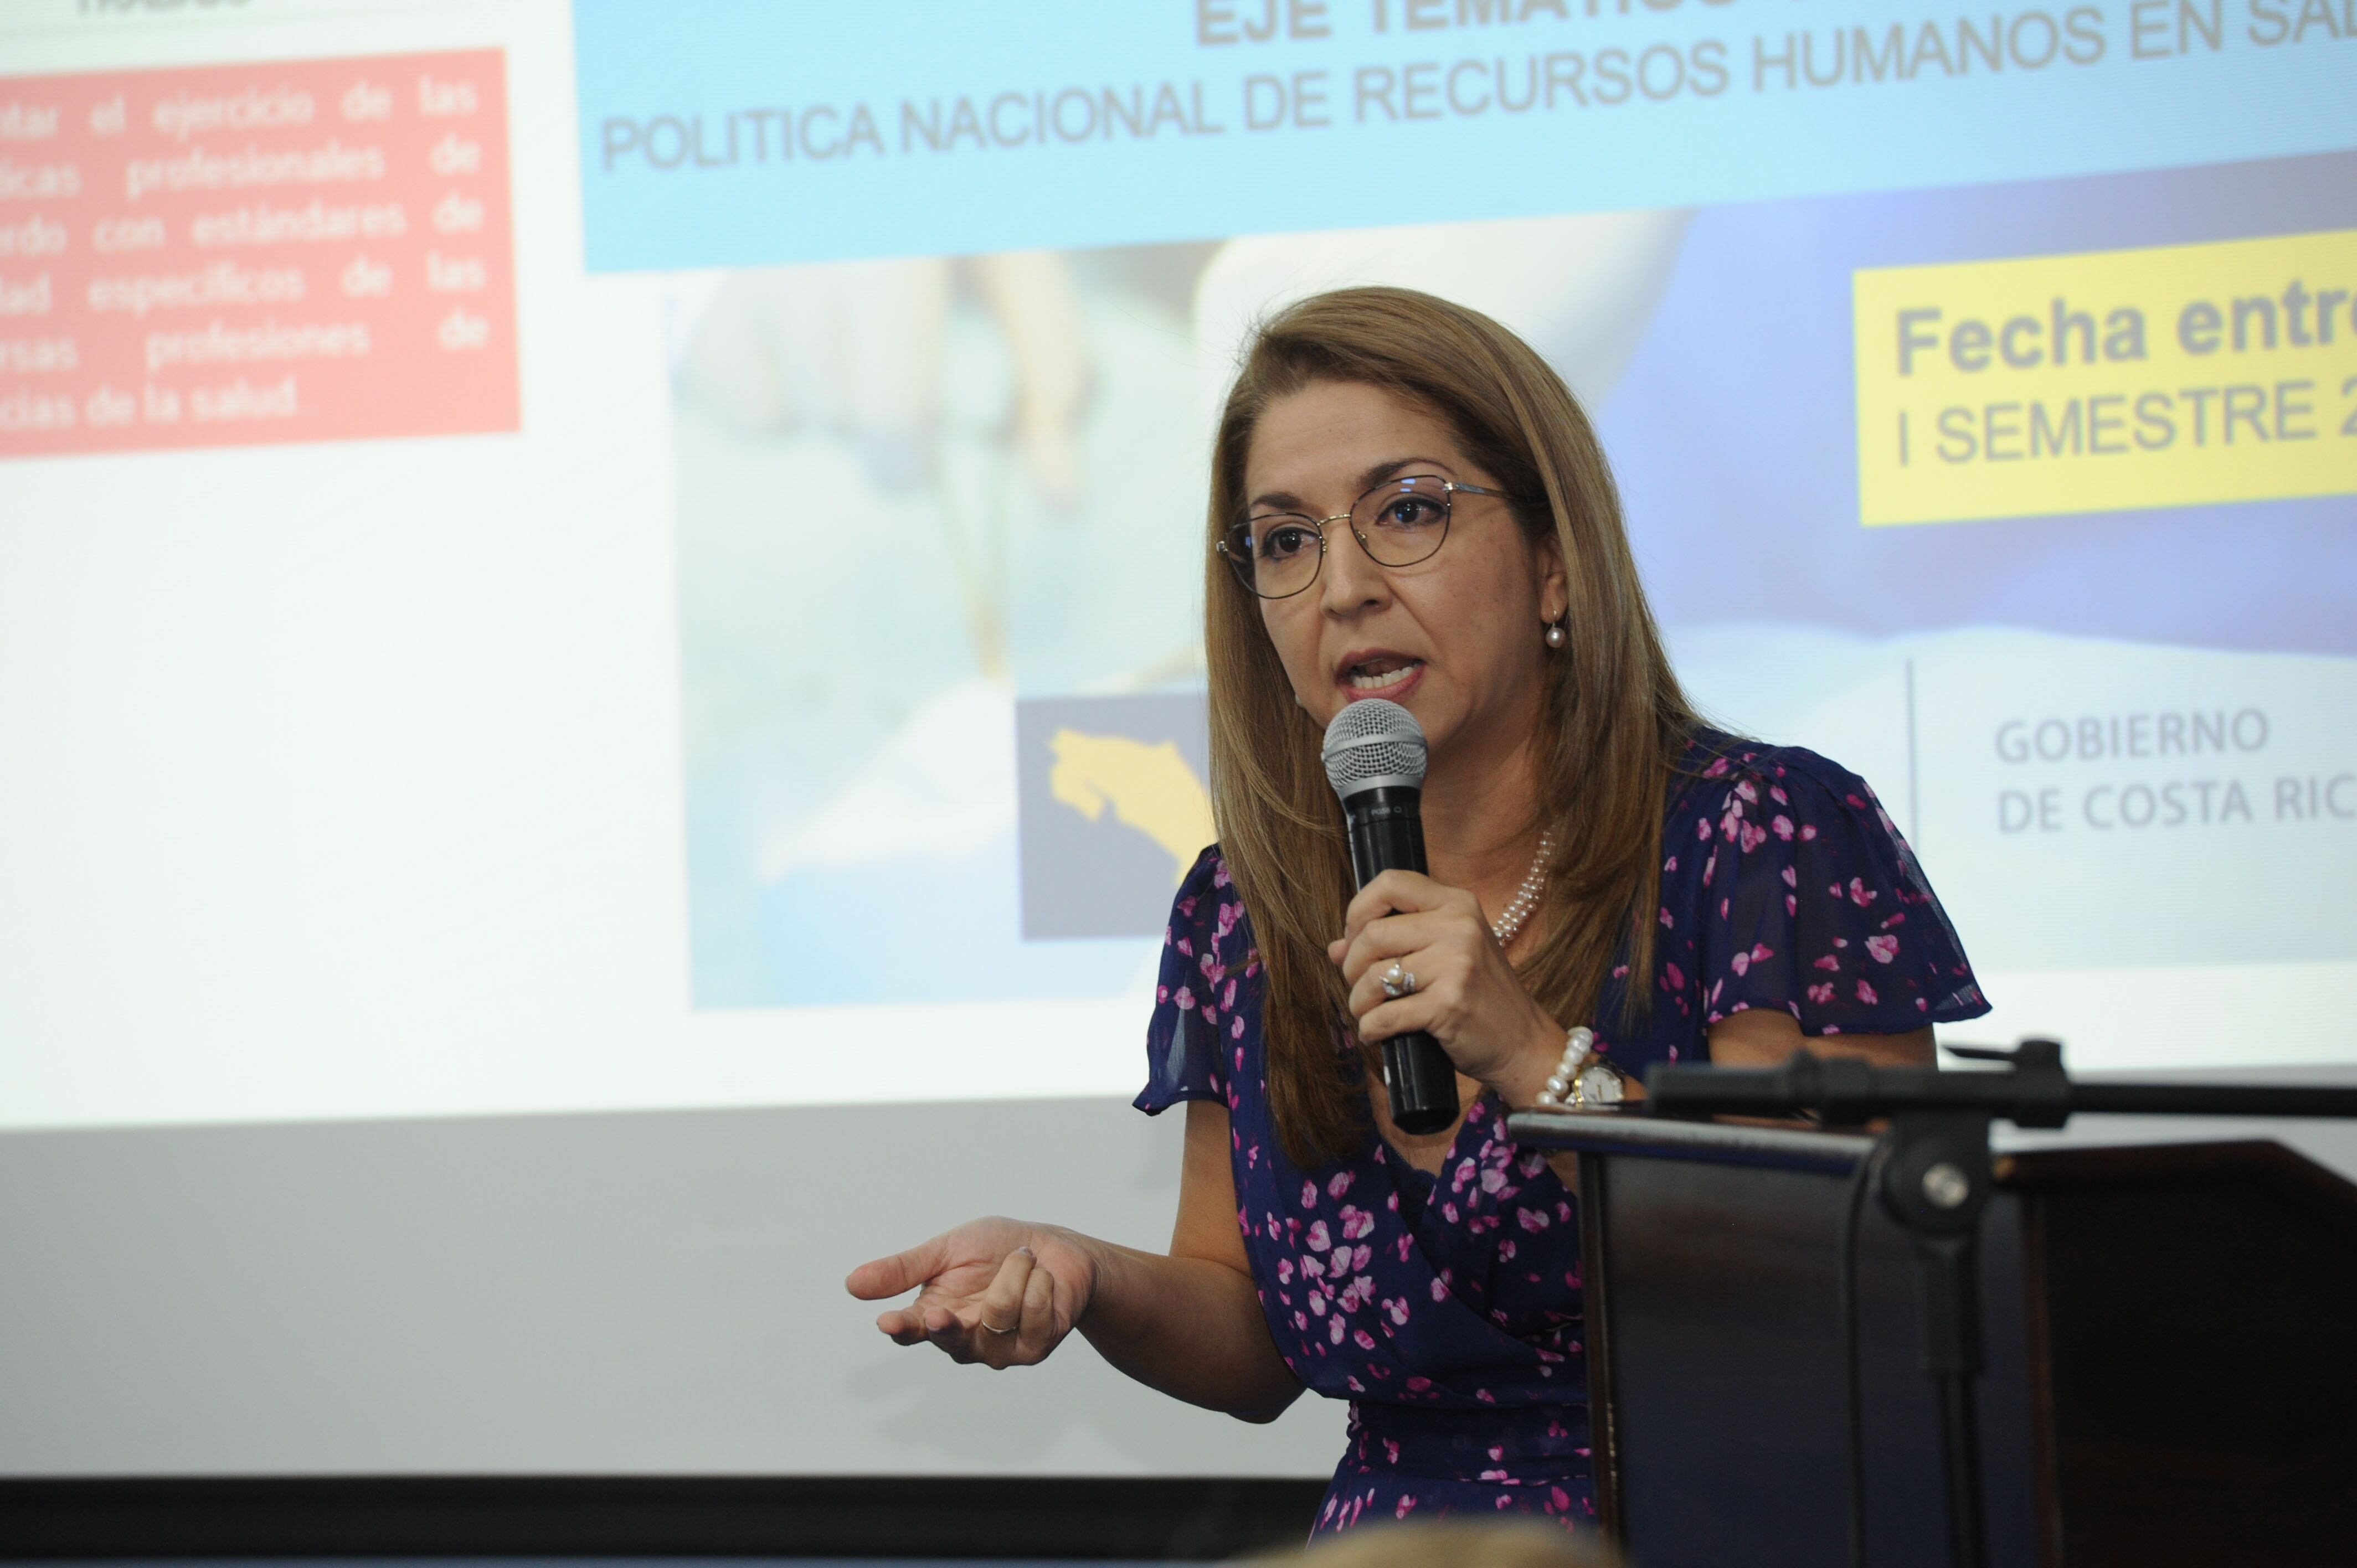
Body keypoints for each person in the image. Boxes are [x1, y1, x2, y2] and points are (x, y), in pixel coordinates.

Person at [847, 286, 1989, 1535]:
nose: (1342, 587)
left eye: (1406, 513)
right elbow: (1247, 1341)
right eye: (1284, 542)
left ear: (1554, 565)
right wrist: (1086, 1277)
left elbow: (1842, 1271)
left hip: (1731, 1519)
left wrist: (1534, 1057)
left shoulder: (1760, 835)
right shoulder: (1245, 912)